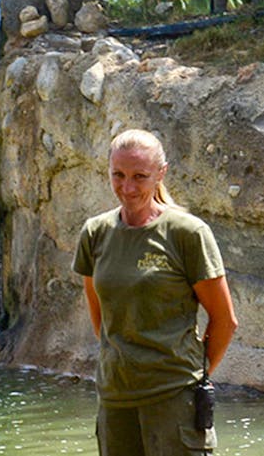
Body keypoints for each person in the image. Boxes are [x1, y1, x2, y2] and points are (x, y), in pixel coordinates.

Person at [72, 129, 238, 456]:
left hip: (174, 400)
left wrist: (190, 375)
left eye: (140, 176)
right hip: (115, 400)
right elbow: (102, 320)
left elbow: (224, 320)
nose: (128, 187)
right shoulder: (95, 233)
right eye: (118, 175)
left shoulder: (187, 233)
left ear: (161, 173)